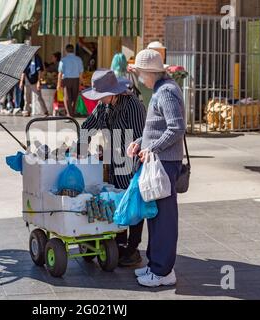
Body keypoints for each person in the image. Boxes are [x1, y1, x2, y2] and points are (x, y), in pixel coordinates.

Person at [127, 49, 186, 287]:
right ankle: (155, 266)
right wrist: (140, 143)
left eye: (140, 72)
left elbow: (176, 128)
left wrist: (153, 148)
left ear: (149, 72)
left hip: (165, 164)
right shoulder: (160, 90)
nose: (139, 76)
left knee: (163, 219)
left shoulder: (167, 92)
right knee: (155, 215)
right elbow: (156, 128)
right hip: (158, 162)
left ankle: (163, 271)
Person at [80, 69, 147, 266]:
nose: (98, 99)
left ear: (113, 91)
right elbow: (88, 126)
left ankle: (133, 248)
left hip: (131, 159)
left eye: (101, 95)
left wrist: (130, 162)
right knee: (118, 199)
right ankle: (119, 241)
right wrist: (79, 148)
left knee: (132, 202)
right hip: (114, 157)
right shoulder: (104, 105)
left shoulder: (132, 105)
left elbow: (139, 137)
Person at [57, 44, 84, 117]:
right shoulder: (78, 59)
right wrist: (81, 82)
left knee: (66, 97)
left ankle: (69, 114)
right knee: (74, 97)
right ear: (73, 50)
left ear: (66, 51)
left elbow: (60, 73)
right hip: (76, 79)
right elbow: (81, 72)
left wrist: (58, 84)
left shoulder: (63, 60)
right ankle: (72, 113)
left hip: (66, 79)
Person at [20, 52, 49, 117]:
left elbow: (39, 71)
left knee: (39, 97)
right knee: (26, 97)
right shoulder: (26, 59)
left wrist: (39, 82)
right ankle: (27, 111)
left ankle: (45, 111)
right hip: (27, 79)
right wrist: (21, 81)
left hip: (35, 80)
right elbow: (23, 71)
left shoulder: (37, 58)